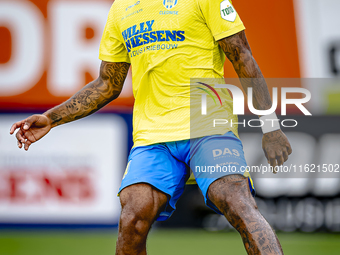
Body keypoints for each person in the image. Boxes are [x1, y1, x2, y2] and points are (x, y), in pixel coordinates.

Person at [10, 0, 292, 254]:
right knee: (132, 218)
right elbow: (107, 83)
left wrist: (270, 126)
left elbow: (242, 55)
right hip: (153, 137)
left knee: (238, 204)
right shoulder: (121, 9)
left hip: (208, 127)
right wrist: (51, 118)